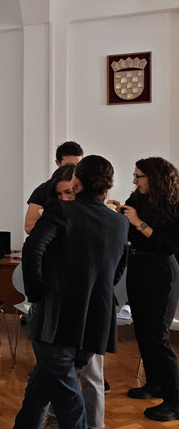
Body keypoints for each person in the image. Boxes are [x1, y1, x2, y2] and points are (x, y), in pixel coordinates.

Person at [14, 155, 129, 429]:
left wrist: (36, 294)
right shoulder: (120, 222)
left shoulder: (61, 210)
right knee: (40, 387)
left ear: (76, 180)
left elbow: (32, 250)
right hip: (94, 320)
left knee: (68, 401)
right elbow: (117, 270)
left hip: (56, 317)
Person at [36, 163, 106, 429]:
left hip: (90, 309)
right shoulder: (56, 217)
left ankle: (94, 425)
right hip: (60, 308)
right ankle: (56, 422)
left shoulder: (99, 220)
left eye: (69, 192)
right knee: (59, 375)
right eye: (59, 194)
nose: (65, 198)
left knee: (91, 375)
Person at [109, 157, 179, 421]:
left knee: (157, 336)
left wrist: (138, 221)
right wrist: (119, 215)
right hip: (138, 267)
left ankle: (175, 401)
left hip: (161, 271)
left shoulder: (174, 205)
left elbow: (168, 245)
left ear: (155, 178)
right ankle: (155, 384)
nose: (134, 180)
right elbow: (129, 233)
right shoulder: (137, 198)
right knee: (143, 331)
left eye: (138, 176)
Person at [25, 141, 84, 234]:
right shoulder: (43, 189)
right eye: (69, 165)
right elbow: (29, 226)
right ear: (58, 163)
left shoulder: (89, 188)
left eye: (78, 165)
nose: (74, 170)